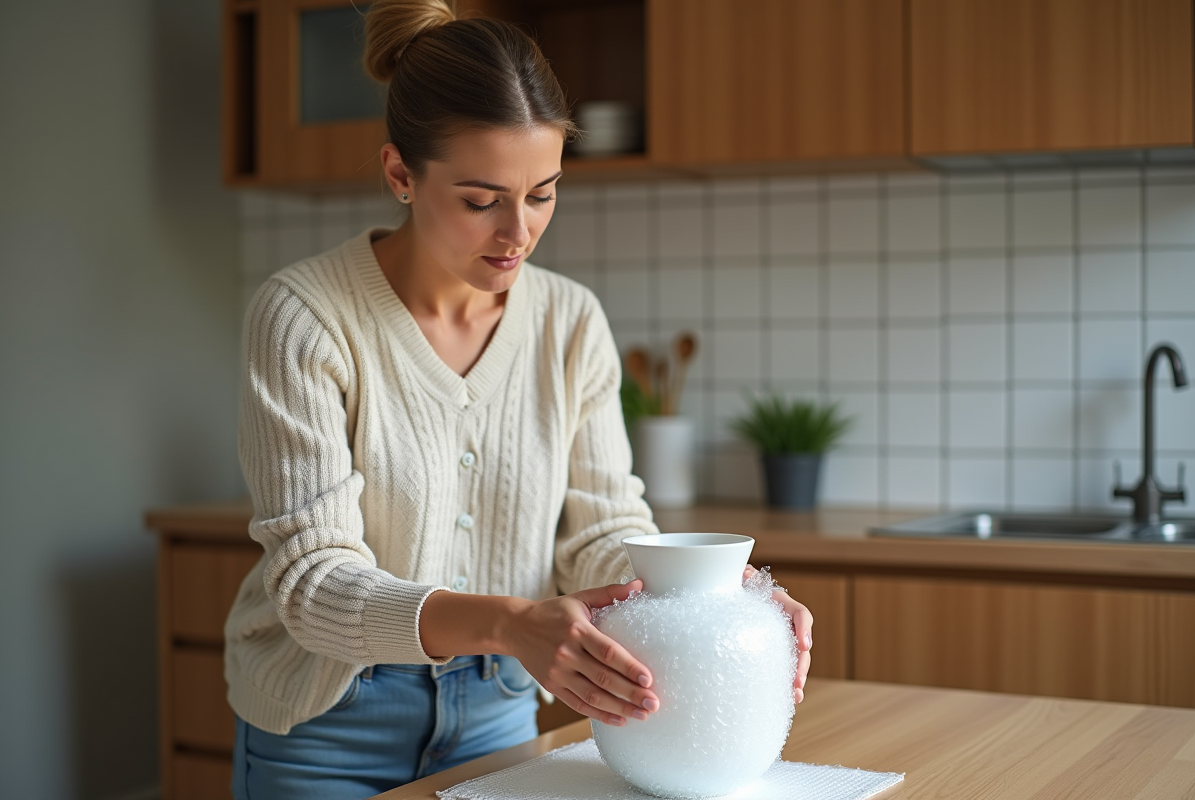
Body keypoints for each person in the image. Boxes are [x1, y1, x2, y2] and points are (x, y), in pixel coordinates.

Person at [223, 1, 813, 798]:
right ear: (400, 175)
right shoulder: (305, 317)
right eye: (481, 200)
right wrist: (510, 622)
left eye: (543, 193)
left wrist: (723, 603)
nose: (518, 233)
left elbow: (603, 530)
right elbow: (311, 582)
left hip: (497, 707)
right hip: (328, 721)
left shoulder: (570, 322)